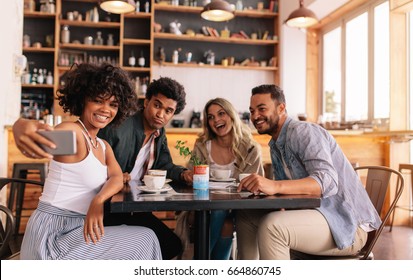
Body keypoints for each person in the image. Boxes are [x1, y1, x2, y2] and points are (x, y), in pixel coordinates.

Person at [13, 77, 191, 260]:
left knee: (147, 238)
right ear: (83, 100)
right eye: (98, 101)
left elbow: (115, 177)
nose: (106, 109)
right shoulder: (76, 137)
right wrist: (21, 126)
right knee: (145, 239)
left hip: (80, 228)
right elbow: (42, 139)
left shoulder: (103, 146)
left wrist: (98, 200)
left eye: (113, 104)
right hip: (53, 235)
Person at [235, 84, 382, 260]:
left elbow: (326, 182)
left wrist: (274, 185)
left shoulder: (303, 132)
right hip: (320, 217)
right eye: (252, 111)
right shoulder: (275, 145)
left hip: (346, 225)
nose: (255, 116)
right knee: (246, 215)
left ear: (281, 108)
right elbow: (288, 196)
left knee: (272, 226)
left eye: (261, 109)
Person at [189, 98, 264, 259]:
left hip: (241, 207)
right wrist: (190, 175)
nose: (216, 120)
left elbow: (256, 186)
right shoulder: (202, 146)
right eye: (211, 117)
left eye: (221, 113)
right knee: (226, 223)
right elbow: (191, 176)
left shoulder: (251, 149)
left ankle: (199, 263)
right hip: (207, 206)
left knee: (221, 210)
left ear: (232, 116)